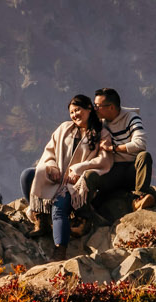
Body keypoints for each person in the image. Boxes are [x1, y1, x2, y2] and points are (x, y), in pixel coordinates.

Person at [22, 95, 114, 257]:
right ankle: (41, 219)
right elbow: (49, 151)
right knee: (27, 175)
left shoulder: (101, 133)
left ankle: (60, 249)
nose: (74, 115)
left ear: (89, 108)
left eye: (78, 110)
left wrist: (79, 168)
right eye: (71, 112)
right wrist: (51, 167)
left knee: (58, 209)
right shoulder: (64, 128)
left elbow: (104, 160)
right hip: (56, 178)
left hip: (75, 185)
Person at [90, 88, 155, 209]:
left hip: (132, 169)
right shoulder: (100, 122)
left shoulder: (131, 118)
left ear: (111, 107)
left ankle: (139, 199)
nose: (95, 109)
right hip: (113, 170)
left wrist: (114, 148)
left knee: (144, 156)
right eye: (95, 105)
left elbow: (140, 144)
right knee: (92, 178)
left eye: (98, 106)